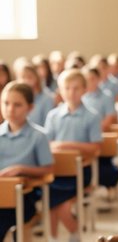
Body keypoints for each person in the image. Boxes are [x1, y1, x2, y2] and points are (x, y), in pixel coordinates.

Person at [44, 69, 102, 241]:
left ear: (84, 90)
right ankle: (53, 238)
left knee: (61, 207)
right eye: (67, 88)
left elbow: (95, 148)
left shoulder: (92, 116)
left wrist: (66, 145)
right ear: (60, 91)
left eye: (76, 88)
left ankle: (75, 233)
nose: (71, 92)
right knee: (50, 205)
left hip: (80, 171)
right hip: (56, 171)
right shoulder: (53, 115)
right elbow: (47, 145)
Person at [0, 82, 54, 240]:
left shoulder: (39, 136)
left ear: (30, 108)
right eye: (6, 103)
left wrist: (21, 169)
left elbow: (48, 169)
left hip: (25, 195)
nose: (10, 109)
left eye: (17, 105)